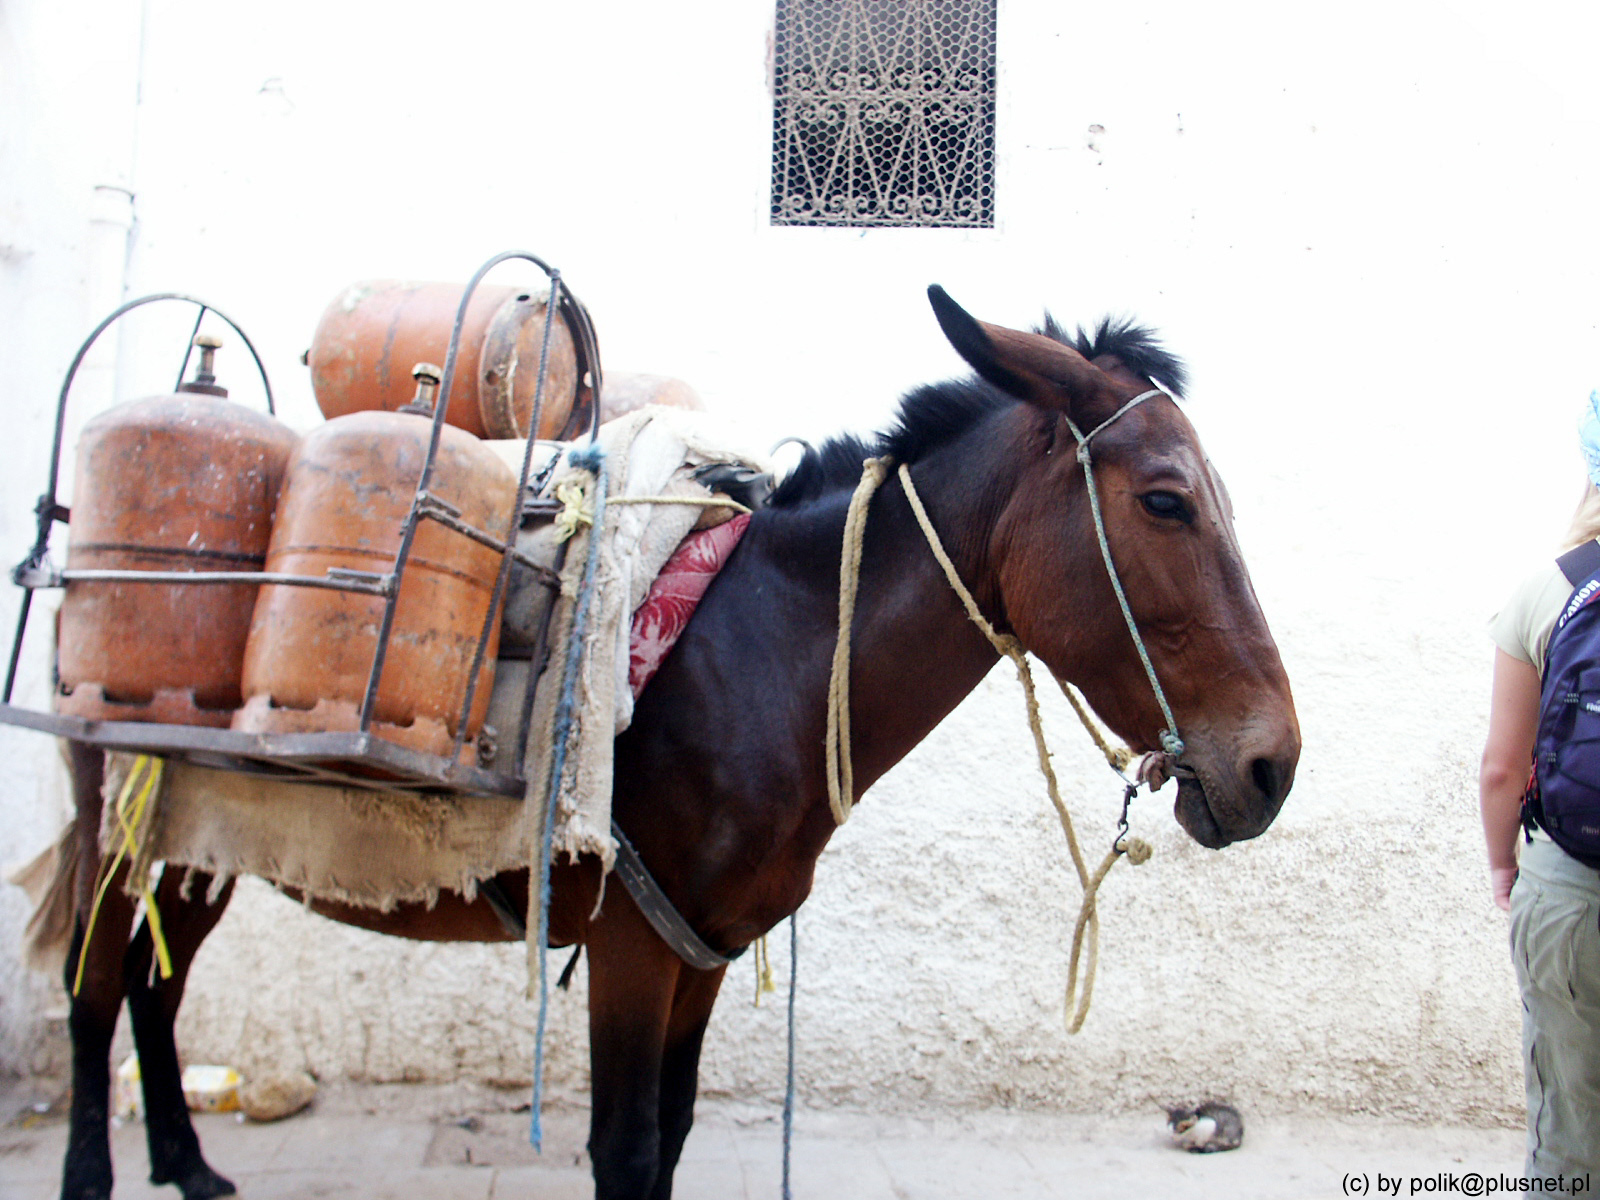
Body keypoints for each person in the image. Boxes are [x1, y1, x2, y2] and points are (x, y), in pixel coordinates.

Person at [1480, 395, 1600, 1180]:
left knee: (1570, 1132)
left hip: (1571, 894)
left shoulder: (1546, 591)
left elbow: (1501, 766)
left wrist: (1503, 867)